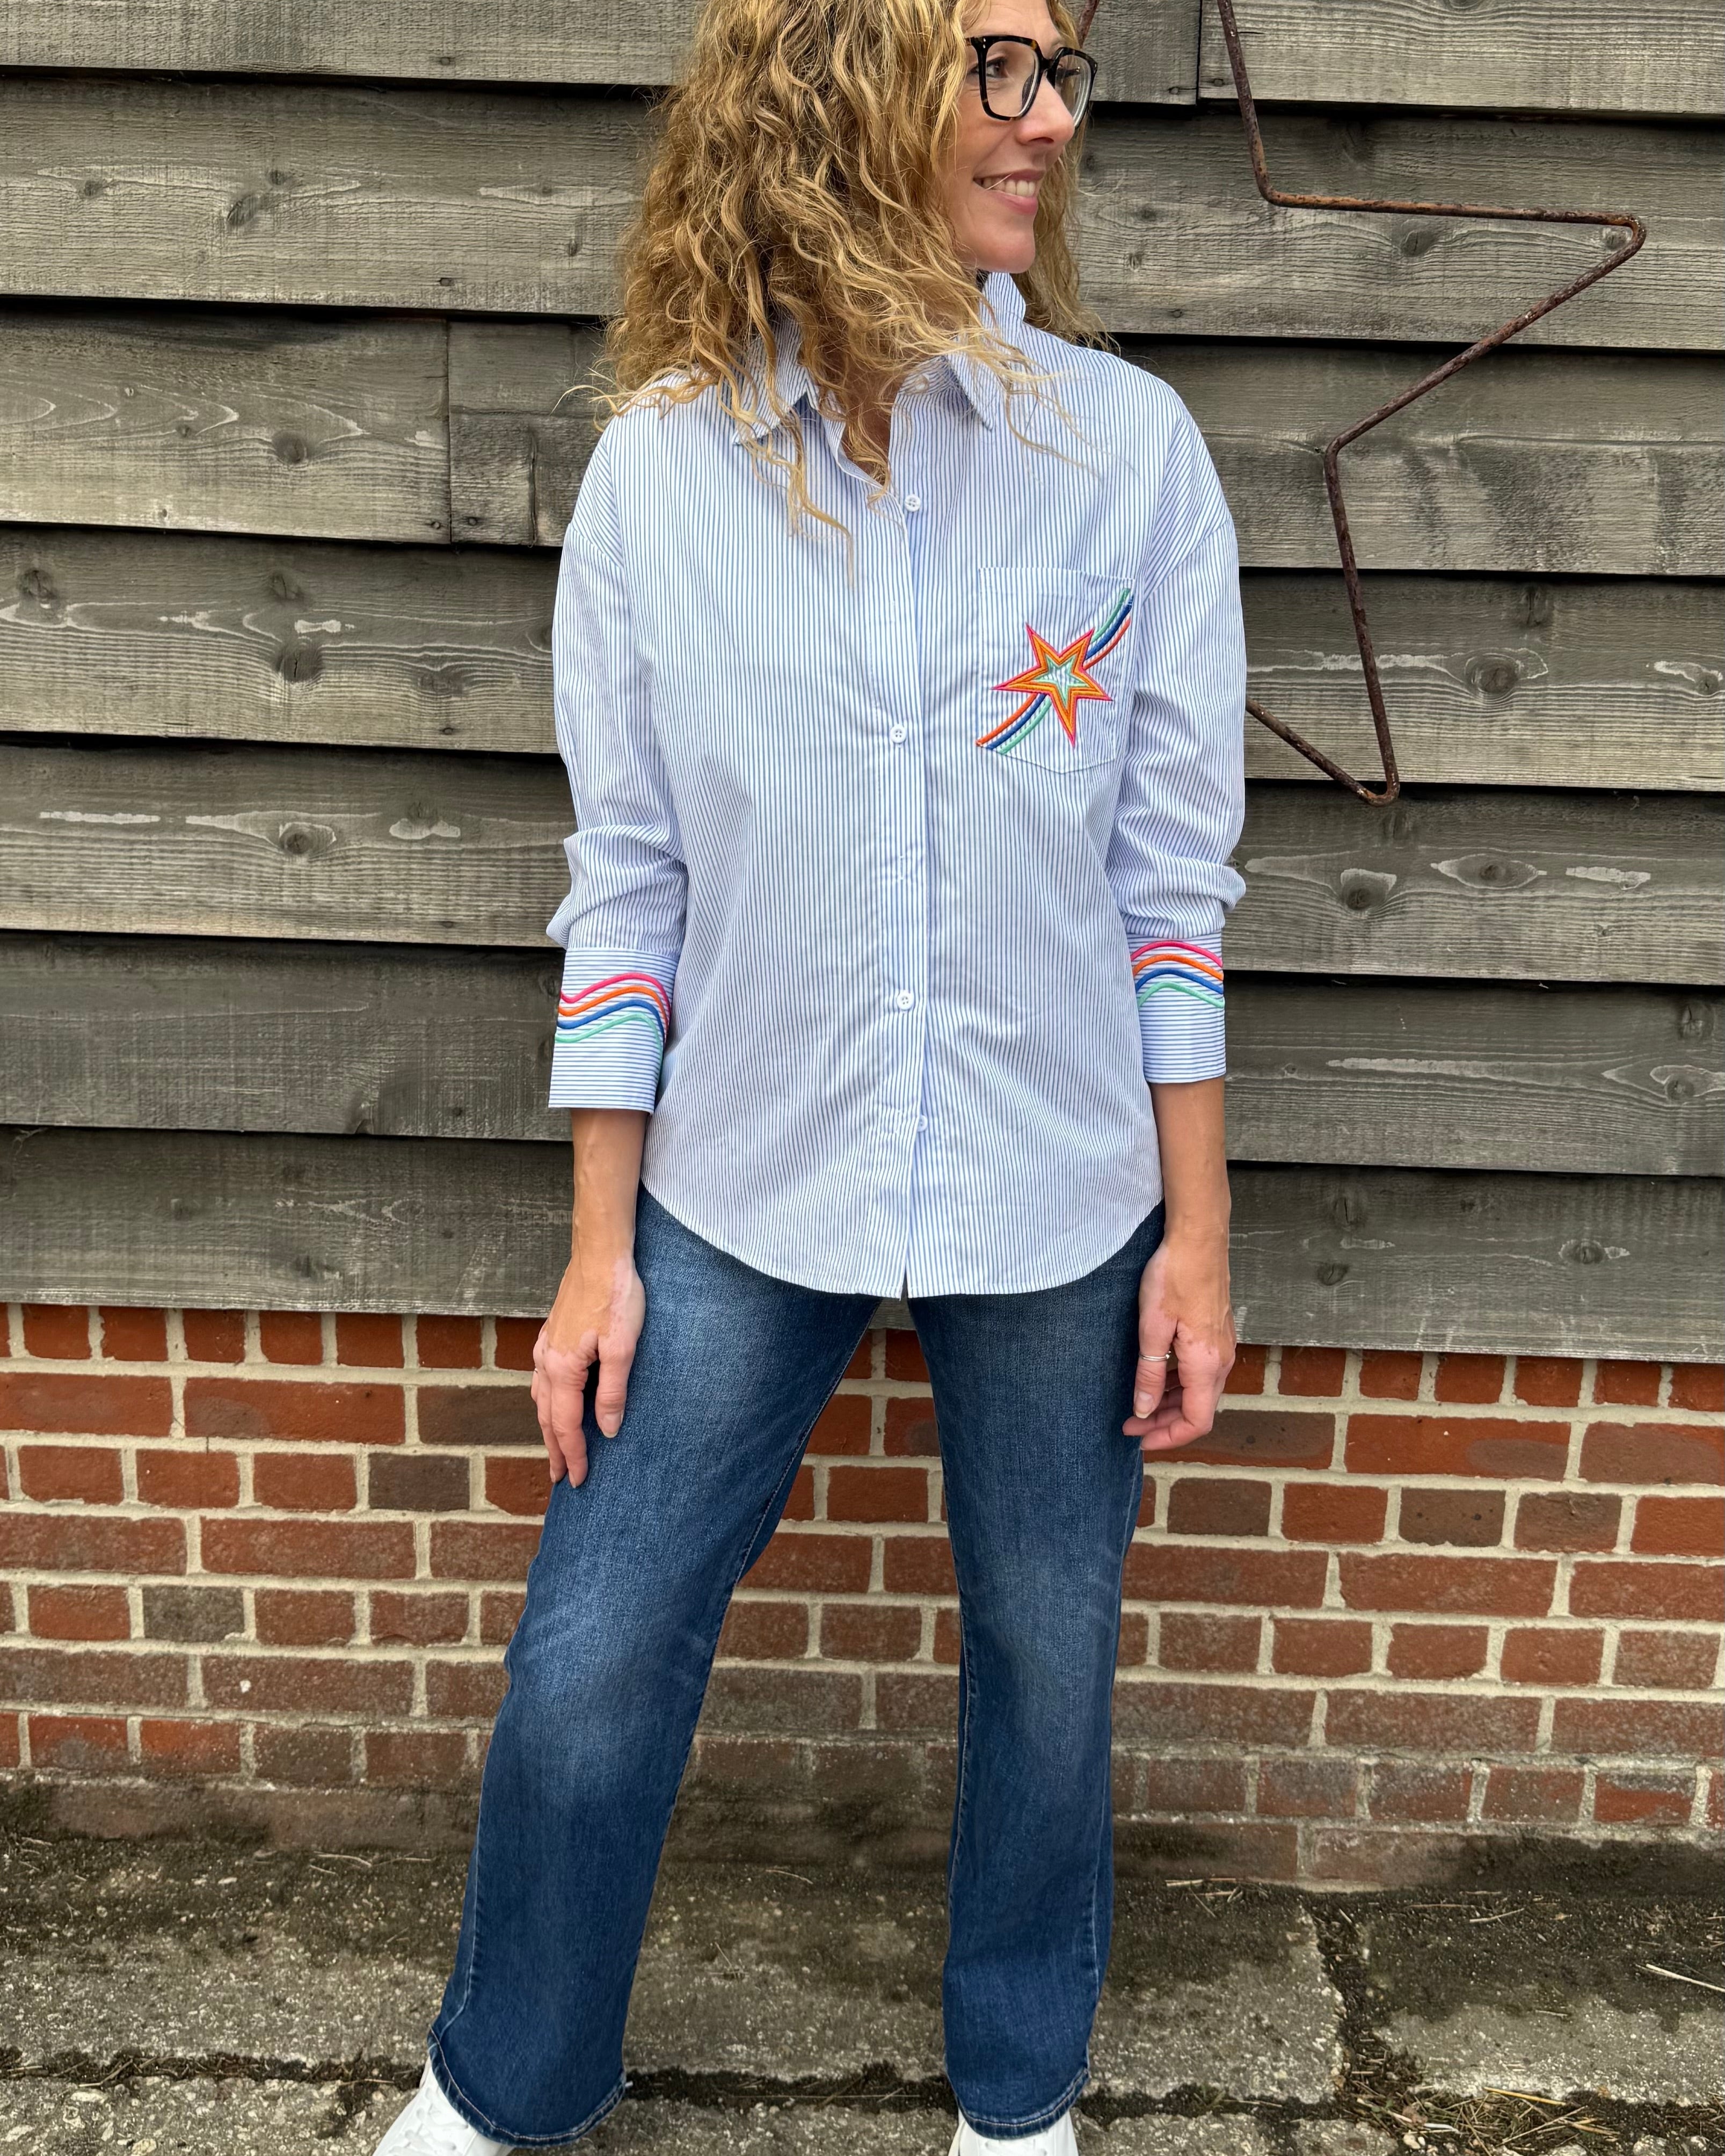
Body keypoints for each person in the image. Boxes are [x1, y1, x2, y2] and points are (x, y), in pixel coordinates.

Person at [376, 0, 1245, 2147]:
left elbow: (1171, 877)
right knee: (592, 1658)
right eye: (997, 63)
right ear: (839, 92)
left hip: (1059, 1184)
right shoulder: (667, 475)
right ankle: (506, 2087)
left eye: (1060, 71)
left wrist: (1198, 1230)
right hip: (742, 1174)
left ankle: (1020, 2099)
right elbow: (632, 883)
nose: (1045, 119)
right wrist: (599, 1246)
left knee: (1050, 1663)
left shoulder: (1127, 456)